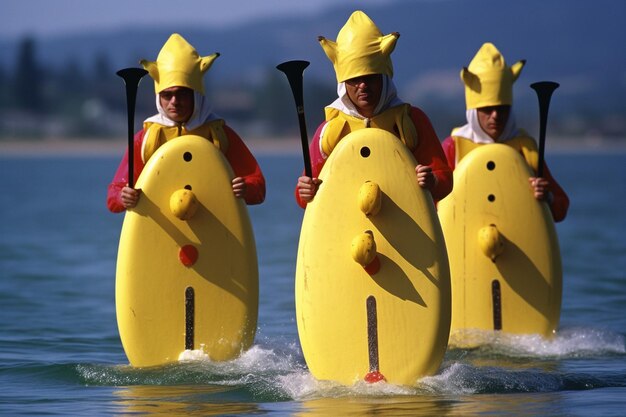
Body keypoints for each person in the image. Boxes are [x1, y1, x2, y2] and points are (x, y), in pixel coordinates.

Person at [295, 11, 452, 208]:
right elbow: (304, 195)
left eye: (370, 78)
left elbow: (444, 179)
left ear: (384, 78)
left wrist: (432, 181)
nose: (362, 86)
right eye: (354, 80)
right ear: (343, 83)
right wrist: (304, 190)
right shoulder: (328, 131)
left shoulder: (411, 120)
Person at [107, 33, 265, 212]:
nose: (174, 101)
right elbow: (113, 195)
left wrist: (246, 187)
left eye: (182, 93)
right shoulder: (144, 140)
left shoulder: (220, 135)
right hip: (162, 232)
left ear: (196, 96)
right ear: (159, 98)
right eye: (167, 95)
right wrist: (123, 197)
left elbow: (258, 187)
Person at [441, 42, 569, 221]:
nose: (495, 116)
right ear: (473, 110)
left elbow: (561, 207)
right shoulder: (453, 146)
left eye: (502, 108)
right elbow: (433, 204)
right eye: (487, 108)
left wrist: (547, 197)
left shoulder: (525, 147)